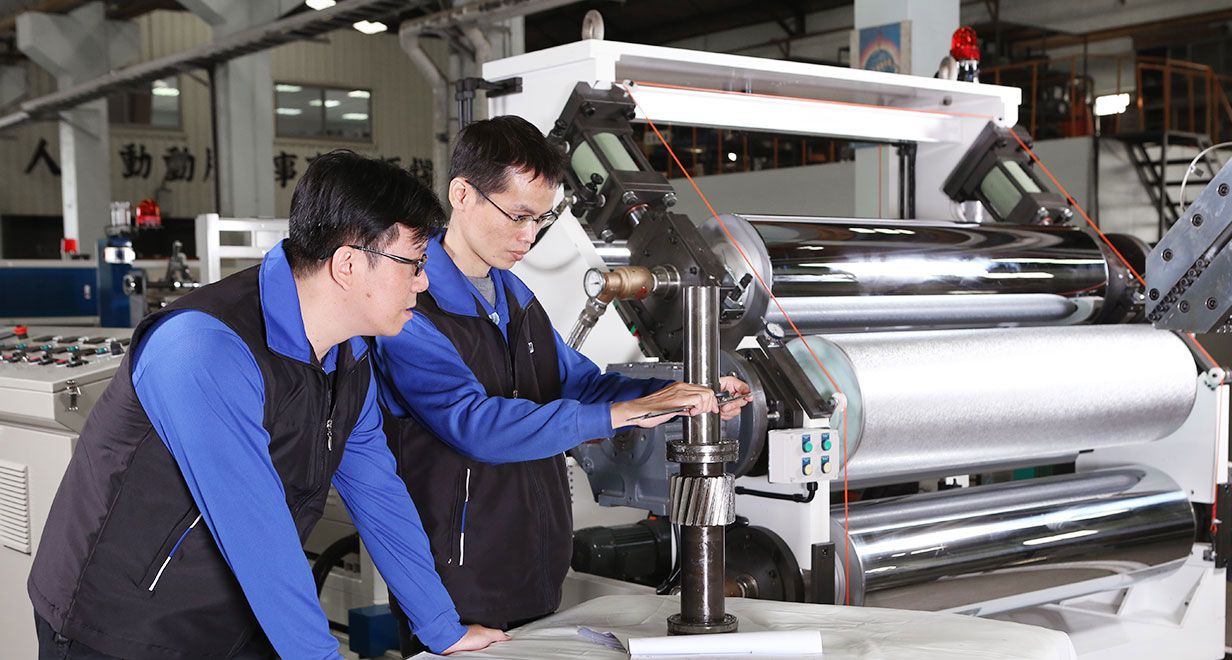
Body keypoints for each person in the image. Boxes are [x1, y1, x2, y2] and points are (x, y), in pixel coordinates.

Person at [27, 151, 508, 659]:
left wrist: (441, 629)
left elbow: (379, 494)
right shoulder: (203, 349)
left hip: (234, 621)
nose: (423, 282)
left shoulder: (350, 355)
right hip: (118, 629)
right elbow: (259, 537)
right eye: (413, 262)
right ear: (347, 264)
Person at [373, 116, 751, 655]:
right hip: (453, 586)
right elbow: (476, 425)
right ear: (462, 194)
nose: (529, 236)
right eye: (518, 216)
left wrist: (689, 394)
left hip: (534, 566)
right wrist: (623, 415)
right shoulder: (412, 308)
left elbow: (583, 385)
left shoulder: (515, 295)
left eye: (542, 219)